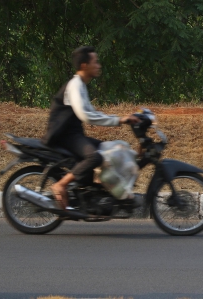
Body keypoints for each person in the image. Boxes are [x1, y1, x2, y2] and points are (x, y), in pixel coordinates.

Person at [41, 46, 139, 209]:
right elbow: (85, 115)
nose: (99, 65)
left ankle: (95, 192)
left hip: (74, 134)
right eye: (96, 62)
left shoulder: (81, 85)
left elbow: (92, 112)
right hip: (64, 135)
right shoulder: (75, 85)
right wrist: (119, 120)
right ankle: (61, 184)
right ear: (85, 65)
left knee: (107, 148)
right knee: (95, 157)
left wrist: (119, 119)